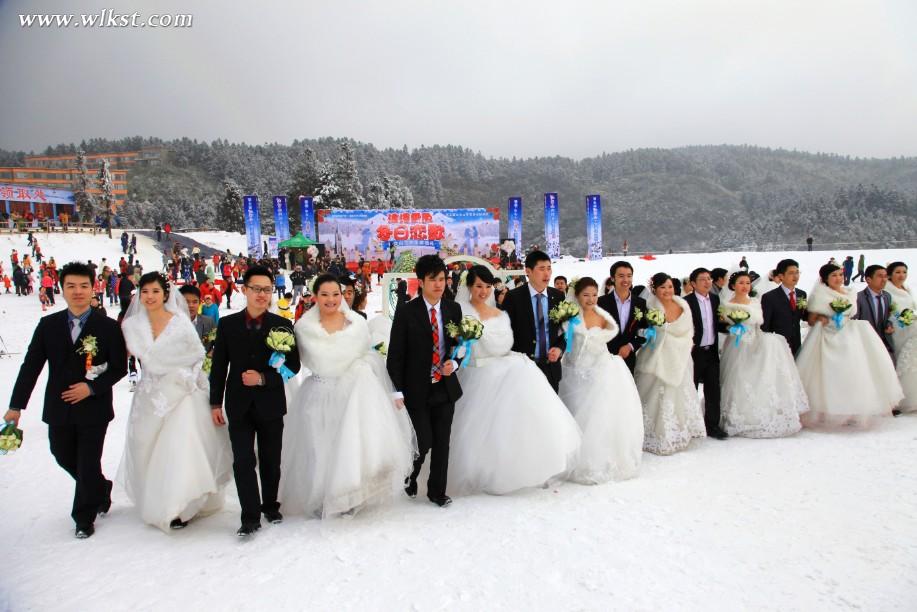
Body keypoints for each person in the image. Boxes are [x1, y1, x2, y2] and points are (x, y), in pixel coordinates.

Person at [6, 262, 128, 538]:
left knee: (87, 462)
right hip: (58, 407)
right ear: (61, 288)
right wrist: (16, 406)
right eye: (71, 286)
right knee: (62, 455)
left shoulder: (107, 327)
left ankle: (83, 517)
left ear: (92, 288)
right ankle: (100, 488)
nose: (78, 292)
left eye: (84, 286)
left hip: (93, 409)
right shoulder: (48, 325)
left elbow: (119, 367)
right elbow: (30, 366)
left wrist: (91, 388)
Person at [280, 275, 415, 518]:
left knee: (349, 445)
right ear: (315, 297)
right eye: (324, 294)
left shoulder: (356, 324)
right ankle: (322, 497)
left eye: (335, 294)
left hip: (353, 394)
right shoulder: (303, 328)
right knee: (320, 447)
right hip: (318, 394)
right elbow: (294, 363)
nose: (331, 300)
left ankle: (348, 495)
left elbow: (367, 355)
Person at [449, 266, 580, 495]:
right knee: (479, 429)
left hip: (501, 365)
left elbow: (505, 343)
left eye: (488, 286)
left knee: (520, 404)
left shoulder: (499, 313)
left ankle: (524, 465)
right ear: (469, 286)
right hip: (476, 372)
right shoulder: (460, 311)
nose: (483, 291)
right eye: (478, 286)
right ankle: (482, 471)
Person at [118, 272, 232, 532]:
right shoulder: (132, 325)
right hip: (150, 395)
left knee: (179, 449)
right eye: (145, 291)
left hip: (182, 394)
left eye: (155, 291)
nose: (149, 297)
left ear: (165, 294)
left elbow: (196, 355)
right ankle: (156, 498)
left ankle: (180, 505)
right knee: (147, 448)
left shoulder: (179, 322)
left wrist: (187, 378)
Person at [209, 266, 302, 537]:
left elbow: (293, 366)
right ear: (244, 289)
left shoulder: (282, 325)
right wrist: (215, 403)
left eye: (267, 289)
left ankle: (270, 505)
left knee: (271, 459)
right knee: (243, 461)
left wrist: (263, 378)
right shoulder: (228, 325)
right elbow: (218, 367)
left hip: (270, 404)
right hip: (238, 404)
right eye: (256, 289)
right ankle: (249, 516)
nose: (262, 295)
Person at [386, 255, 463, 508]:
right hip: (416, 388)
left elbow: (459, 347)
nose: (439, 285)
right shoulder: (408, 312)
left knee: (443, 441)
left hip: (445, 385)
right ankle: (410, 475)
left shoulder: (453, 309)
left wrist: (456, 363)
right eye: (433, 280)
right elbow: (395, 354)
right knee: (424, 440)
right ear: (420, 282)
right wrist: (397, 391)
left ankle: (437, 491)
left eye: (442, 279)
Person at [795, 263, 903, 428]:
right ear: (825, 279)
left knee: (854, 372)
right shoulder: (820, 294)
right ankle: (828, 408)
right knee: (829, 375)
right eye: (834, 276)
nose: (838, 278)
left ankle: (852, 408)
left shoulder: (849, 292)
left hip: (849, 335)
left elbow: (853, 313)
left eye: (840, 275)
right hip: (827, 336)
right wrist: (820, 319)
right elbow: (811, 319)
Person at [560, 277, 643, 483]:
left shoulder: (602, 316)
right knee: (575, 413)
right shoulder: (570, 316)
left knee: (597, 417)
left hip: (599, 371)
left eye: (594, 295)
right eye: (586, 295)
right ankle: (571, 457)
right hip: (574, 372)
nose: (590, 299)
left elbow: (611, 335)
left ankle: (597, 459)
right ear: (577, 296)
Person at [718, 271, 809, 437]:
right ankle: (737, 417)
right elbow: (723, 325)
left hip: (757, 340)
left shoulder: (754, 300)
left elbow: (760, 322)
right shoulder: (726, 304)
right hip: (738, 346)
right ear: (732, 285)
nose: (745, 286)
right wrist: (733, 327)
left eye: (747, 283)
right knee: (739, 378)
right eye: (741, 283)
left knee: (761, 376)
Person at [635, 273, 705, 455]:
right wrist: (648, 333)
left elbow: (689, 330)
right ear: (655, 290)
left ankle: (679, 432)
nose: (667, 291)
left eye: (670, 287)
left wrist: (683, 344)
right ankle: (654, 434)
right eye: (662, 287)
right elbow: (641, 329)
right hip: (658, 356)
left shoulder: (683, 305)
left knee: (680, 395)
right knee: (656, 396)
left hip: (681, 355)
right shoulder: (650, 306)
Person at [499, 250, 566, 392]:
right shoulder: (513, 297)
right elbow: (504, 333)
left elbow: (566, 331)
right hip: (523, 369)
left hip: (551, 368)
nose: (547, 274)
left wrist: (560, 348)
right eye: (541, 269)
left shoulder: (558, 296)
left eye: (549, 268)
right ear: (528, 271)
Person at [683, 268, 728, 439]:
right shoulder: (686, 302)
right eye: (702, 279)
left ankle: (712, 425)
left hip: (711, 352)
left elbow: (717, 324)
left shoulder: (716, 300)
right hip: (694, 353)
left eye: (709, 279)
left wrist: (732, 326)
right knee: (691, 388)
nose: (707, 282)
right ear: (693, 284)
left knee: (713, 390)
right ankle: (690, 424)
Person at [596, 261, 647, 375]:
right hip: (604, 359)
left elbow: (645, 332)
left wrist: (630, 346)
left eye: (629, 276)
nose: (626, 280)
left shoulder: (641, 303)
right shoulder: (600, 302)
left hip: (628, 358)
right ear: (613, 278)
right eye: (621, 276)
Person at [885, 262, 917, 414]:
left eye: (904, 272)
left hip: (911, 325)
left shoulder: (907, 289)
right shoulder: (887, 290)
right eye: (897, 272)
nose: (902, 275)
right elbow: (891, 311)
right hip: (898, 328)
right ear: (890, 274)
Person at [761, 259, 807, 356]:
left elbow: (803, 315)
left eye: (797, 272)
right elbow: (765, 326)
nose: (795, 276)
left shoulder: (801, 294)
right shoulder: (769, 297)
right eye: (791, 273)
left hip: (796, 344)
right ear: (781, 276)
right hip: (778, 346)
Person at [853, 265, 894, 356]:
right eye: (880, 276)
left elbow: (888, 317)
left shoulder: (887, 296)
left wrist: (889, 325)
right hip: (866, 345)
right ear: (868, 279)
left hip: (885, 344)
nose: (884, 279)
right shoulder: (858, 298)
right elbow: (854, 323)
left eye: (885, 276)